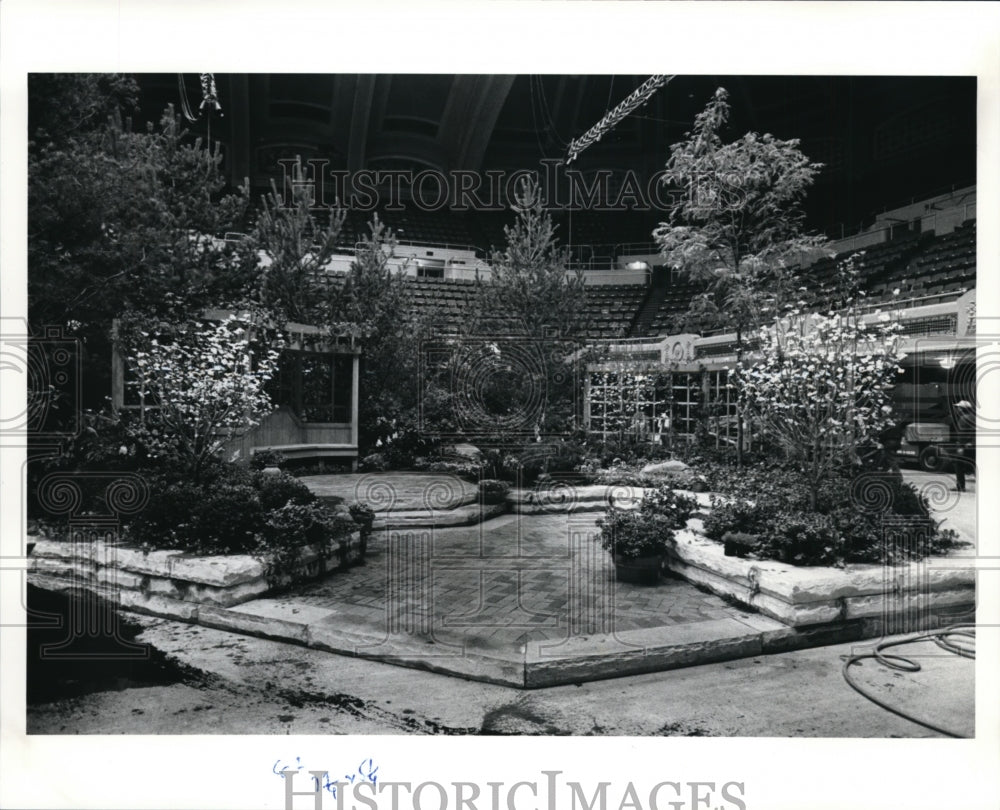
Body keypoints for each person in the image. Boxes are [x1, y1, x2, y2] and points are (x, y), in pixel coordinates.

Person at [950, 400, 976, 492]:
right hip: (974, 446)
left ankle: (961, 486)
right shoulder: (974, 417)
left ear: (962, 409)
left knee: (958, 464)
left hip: (966, 446)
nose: (957, 410)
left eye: (958, 408)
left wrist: (960, 447)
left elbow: (962, 435)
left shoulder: (963, 419)